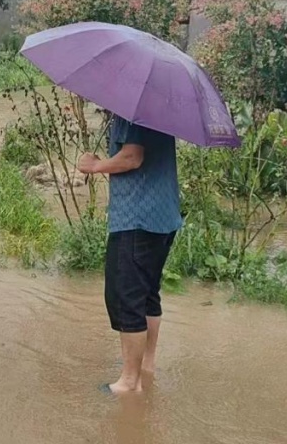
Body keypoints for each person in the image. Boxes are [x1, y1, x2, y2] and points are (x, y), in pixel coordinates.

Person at [76, 113, 182, 395]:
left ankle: (128, 382)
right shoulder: (157, 109)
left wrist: (96, 166)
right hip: (163, 217)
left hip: (136, 218)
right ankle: (146, 366)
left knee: (127, 298)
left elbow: (132, 157)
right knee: (148, 294)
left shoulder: (132, 111)